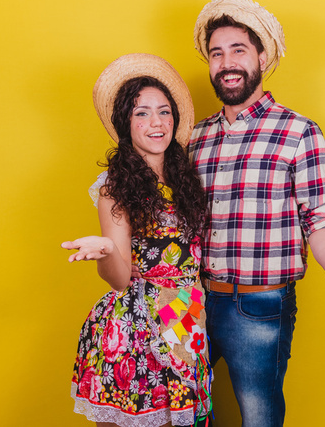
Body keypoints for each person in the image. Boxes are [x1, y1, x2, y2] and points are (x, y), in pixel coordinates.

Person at [188, 0, 325, 427]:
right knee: (181, 411)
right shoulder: (194, 137)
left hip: (261, 305)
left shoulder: (299, 132)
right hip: (189, 302)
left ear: (262, 57)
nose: (227, 62)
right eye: (217, 53)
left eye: (239, 50)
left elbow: (318, 216)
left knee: (260, 417)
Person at [62, 53, 212, 427]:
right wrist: (108, 250)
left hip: (185, 317)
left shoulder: (186, 179)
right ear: (125, 124)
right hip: (137, 326)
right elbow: (119, 278)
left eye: (163, 111)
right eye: (141, 113)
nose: (156, 122)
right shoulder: (115, 189)